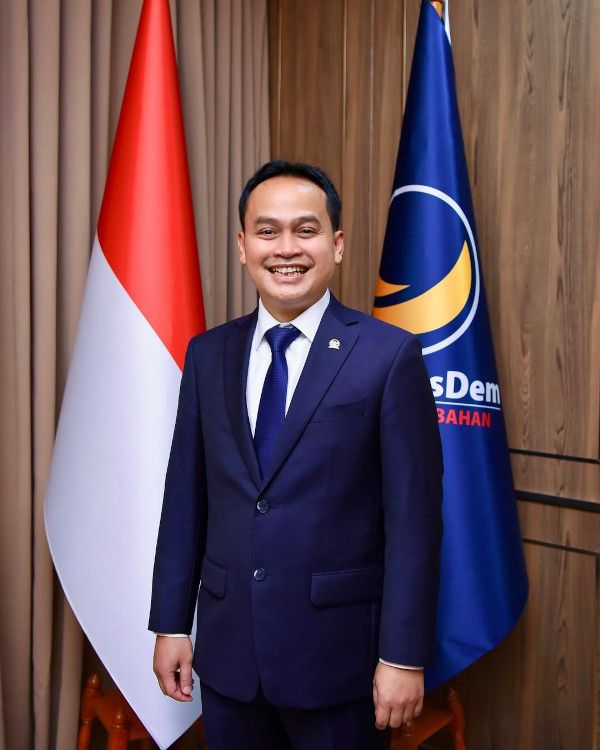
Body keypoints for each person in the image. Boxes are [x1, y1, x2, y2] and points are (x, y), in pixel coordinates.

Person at [149, 160, 443, 749]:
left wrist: (403, 656)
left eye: (306, 230)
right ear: (242, 246)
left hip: (339, 663)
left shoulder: (388, 356)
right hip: (230, 657)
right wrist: (171, 623)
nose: (286, 248)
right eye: (267, 231)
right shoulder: (208, 355)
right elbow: (185, 500)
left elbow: (413, 523)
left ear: (337, 244)